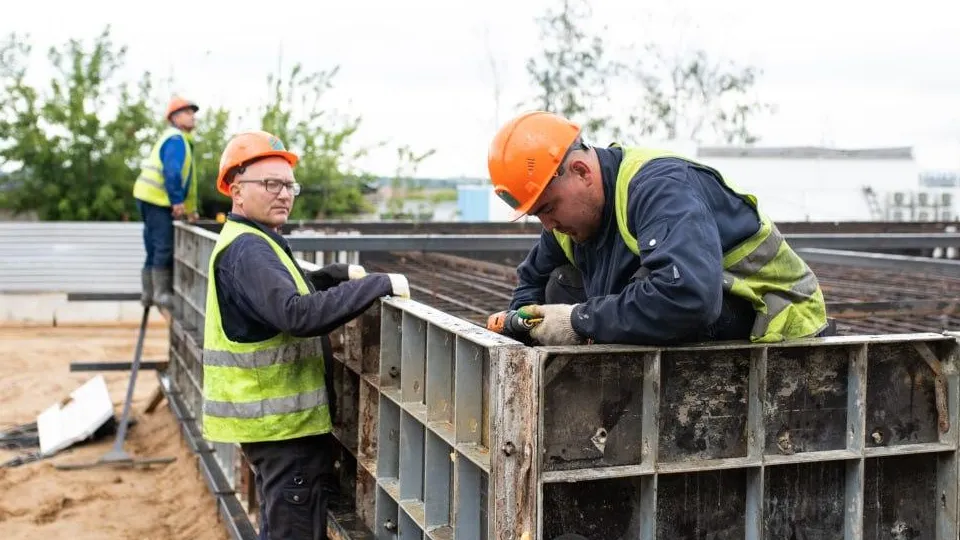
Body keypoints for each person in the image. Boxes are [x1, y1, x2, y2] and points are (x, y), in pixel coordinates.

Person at [201, 130, 410, 540]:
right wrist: (378, 284)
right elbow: (295, 313)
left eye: (289, 185)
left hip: (279, 430)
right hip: (282, 432)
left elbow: (282, 290)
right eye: (270, 184)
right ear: (236, 191)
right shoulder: (249, 250)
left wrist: (331, 277)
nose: (284, 194)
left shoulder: (255, 240)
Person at [487, 110, 834, 347]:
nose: (547, 225)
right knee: (558, 283)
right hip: (708, 310)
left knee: (656, 288)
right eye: (536, 215)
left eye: (547, 208)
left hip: (778, 329)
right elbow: (532, 279)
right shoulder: (565, 221)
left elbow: (688, 299)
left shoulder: (660, 189)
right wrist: (521, 324)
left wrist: (579, 321)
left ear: (582, 171)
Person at [132, 95, 201, 310]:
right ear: (175, 117)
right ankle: (161, 293)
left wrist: (191, 209)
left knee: (153, 247)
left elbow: (189, 182)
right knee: (163, 246)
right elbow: (172, 173)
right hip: (157, 200)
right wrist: (177, 202)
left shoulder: (177, 140)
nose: (193, 117)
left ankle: (148, 293)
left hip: (148, 198)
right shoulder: (175, 140)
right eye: (188, 113)